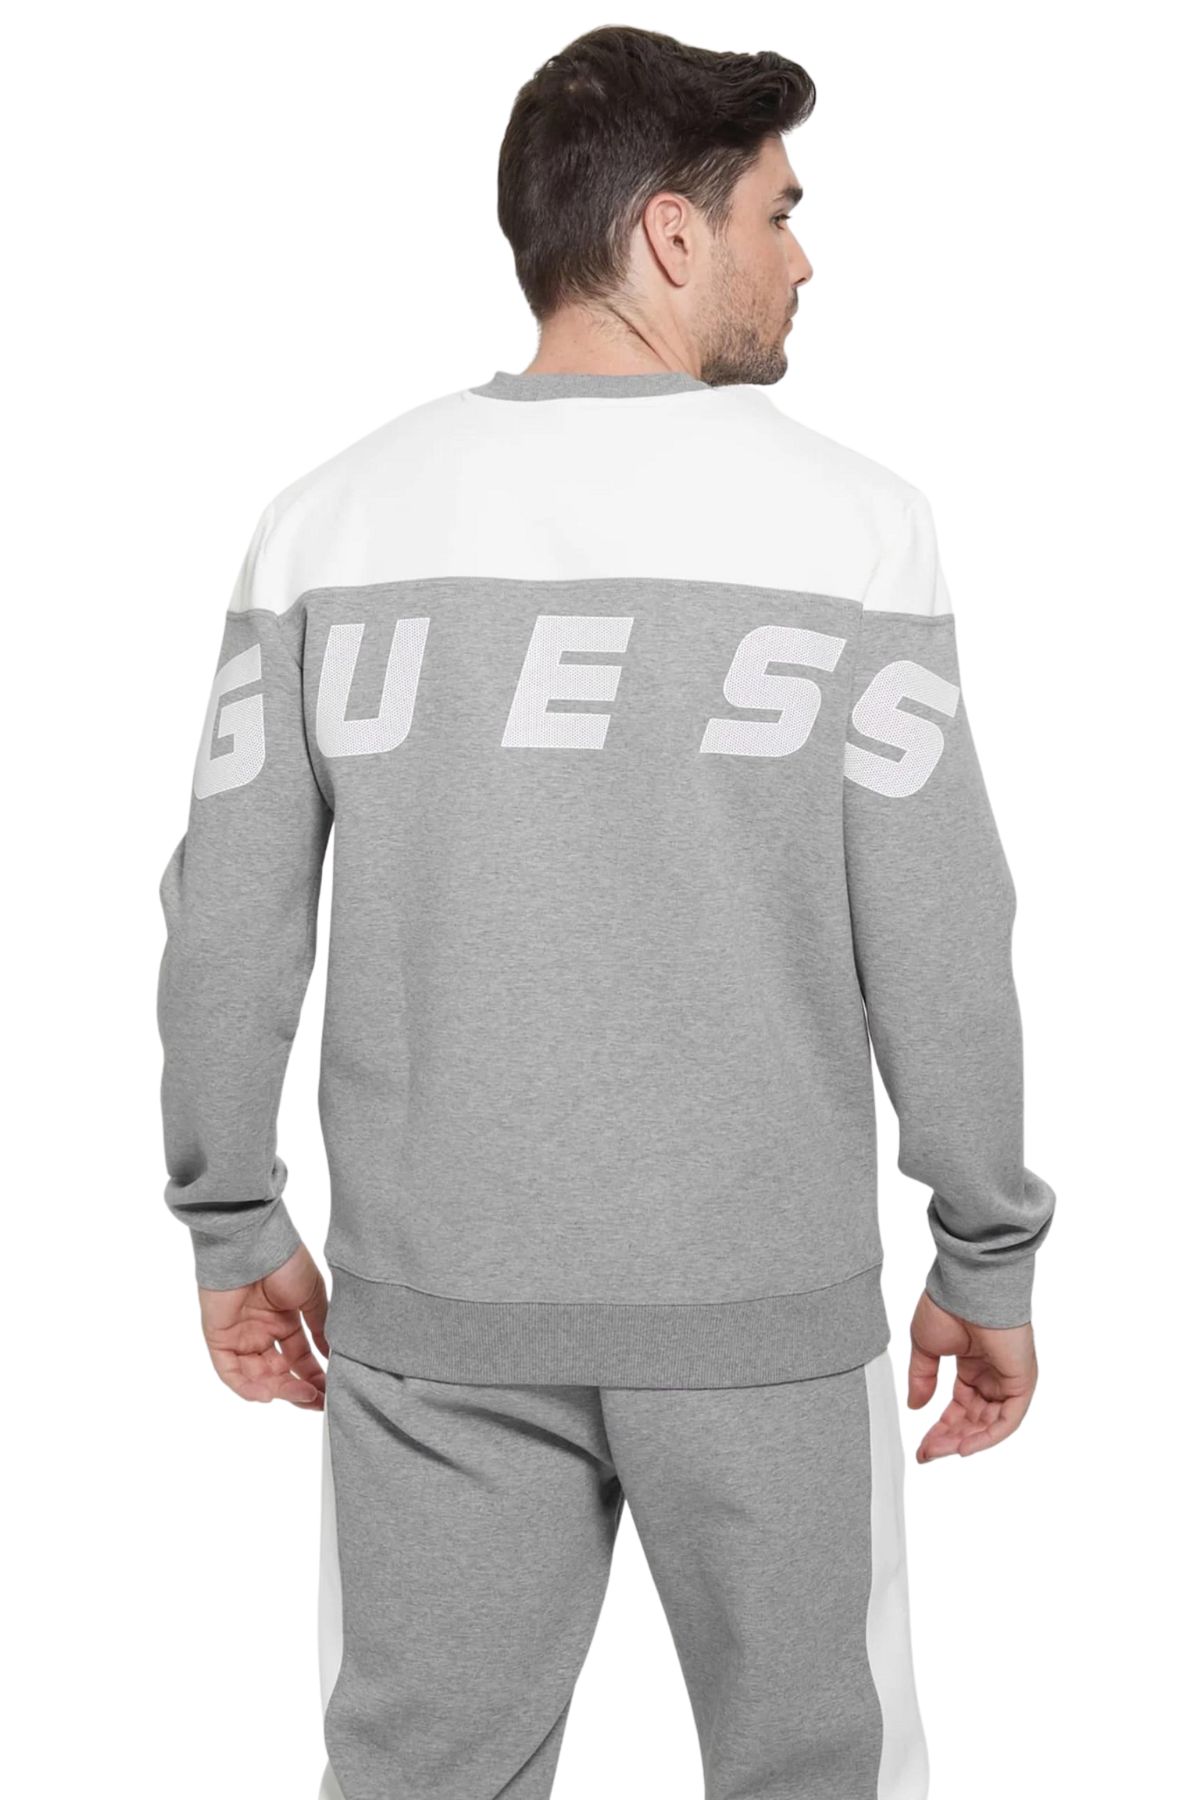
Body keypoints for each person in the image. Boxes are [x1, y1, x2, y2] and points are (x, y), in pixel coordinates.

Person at [157, 25, 1056, 1800]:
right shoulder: (855, 530)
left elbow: (227, 923)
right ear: (669, 231)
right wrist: (986, 1248)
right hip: (765, 1326)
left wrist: (230, 1220)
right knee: (820, 1776)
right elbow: (944, 932)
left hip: (435, 1321)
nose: (805, 259)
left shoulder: (330, 525)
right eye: (779, 214)